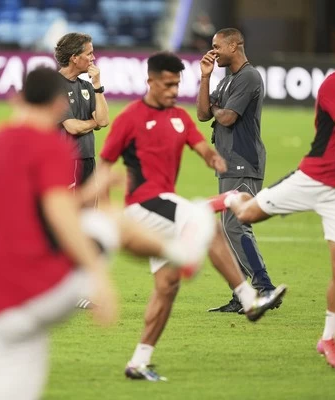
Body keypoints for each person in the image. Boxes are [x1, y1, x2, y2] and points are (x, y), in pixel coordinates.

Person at [211, 25, 335, 369]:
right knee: (243, 216)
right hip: (313, 177)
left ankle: (328, 339)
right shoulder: (332, 85)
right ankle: (228, 203)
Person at [99, 51, 287, 381]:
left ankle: (139, 362)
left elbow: (200, 145)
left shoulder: (179, 118)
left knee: (166, 288)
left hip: (163, 210)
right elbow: (104, 165)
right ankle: (249, 299)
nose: (173, 91)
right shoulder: (129, 117)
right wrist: (104, 210)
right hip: (142, 206)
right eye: (167, 85)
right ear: (150, 81)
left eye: (177, 84)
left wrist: (212, 158)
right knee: (208, 226)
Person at [0, 67, 119, 400]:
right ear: (59, 104)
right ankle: (191, 239)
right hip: (37, 291)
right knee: (107, 225)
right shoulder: (50, 147)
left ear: (16, 99)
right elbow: (61, 217)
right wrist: (98, 277)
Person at [197, 28, 280, 314]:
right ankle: (241, 294)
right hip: (228, 163)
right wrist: (205, 78)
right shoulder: (226, 80)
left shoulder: (248, 77)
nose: (213, 52)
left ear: (234, 46)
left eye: (217, 46)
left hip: (244, 161)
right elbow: (203, 113)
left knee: (235, 226)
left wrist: (217, 108)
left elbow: (228, 117)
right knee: (229, 228)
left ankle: (264, 287)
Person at [56, 32, 109, 194]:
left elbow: (104, 121)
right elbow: (73, 127)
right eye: (89, 53)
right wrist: (94, 122)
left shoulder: (87, 86)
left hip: (88, 159)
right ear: (74, 58)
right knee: (70, 208)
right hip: (67, 160)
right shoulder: (55, 86)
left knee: (90, 208)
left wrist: (97, 86)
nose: (93, 58)